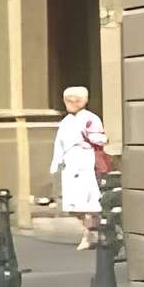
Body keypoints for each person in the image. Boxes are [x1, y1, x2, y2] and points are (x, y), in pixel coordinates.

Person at [50, 84, 110, 250]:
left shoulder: (90, 119)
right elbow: (59, 144)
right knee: (74, 203)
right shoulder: (65, 122)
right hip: (70, 164)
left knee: (88, 201)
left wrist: (88, 139)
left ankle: (90, 233)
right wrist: (56, 162)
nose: (70, 103)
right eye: (68, 100)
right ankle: (91, 229)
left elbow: (102, 139)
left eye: (74, 100)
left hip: (86, 161)